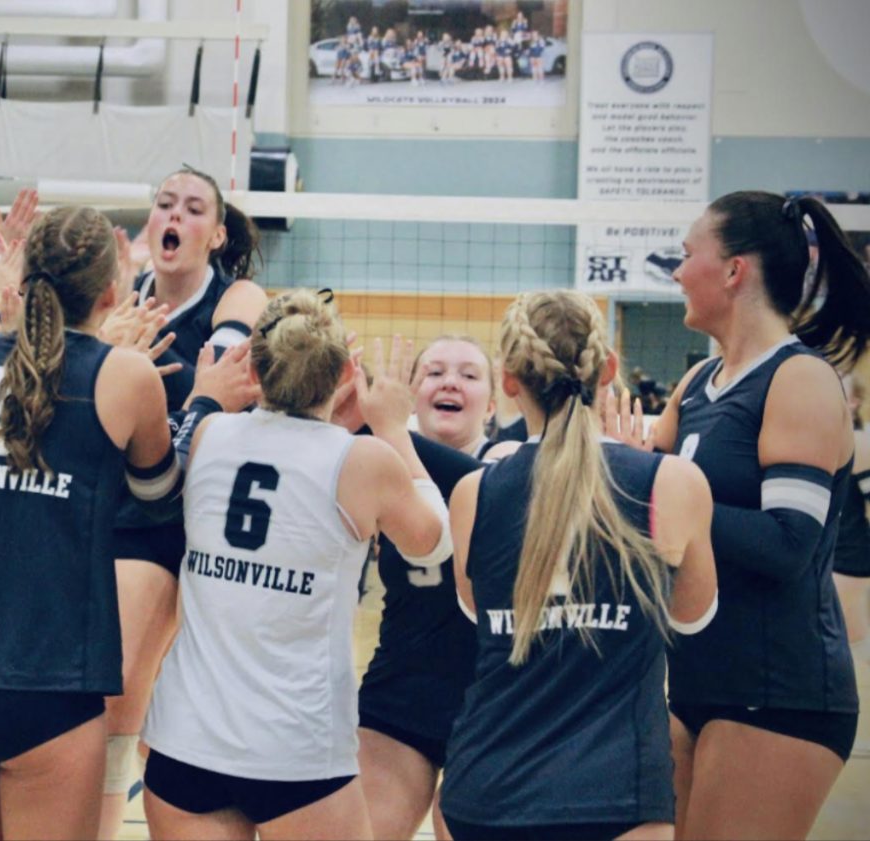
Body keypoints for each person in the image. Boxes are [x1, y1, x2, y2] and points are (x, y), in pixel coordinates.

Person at [0, 206, 184, 841]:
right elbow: (159, 497)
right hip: (48, 679)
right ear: (113, 293)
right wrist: (198, 410)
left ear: (28, 280)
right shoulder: (126, 374)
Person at [142, 291, 454, 840]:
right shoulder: (361, 459)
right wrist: (393, 429)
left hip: (186, 739)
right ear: (344, 372)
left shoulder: (211, 434)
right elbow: (433, 543)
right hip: (295, 751)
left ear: (257, 370)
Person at [441, 290, 718, 841]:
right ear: (608, 368)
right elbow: (691, 619)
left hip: (485, 789)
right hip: (615, 794)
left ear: (510, 380)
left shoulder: (476, 491)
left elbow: (478, 611)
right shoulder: (670, 484)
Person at [634, 191, 870, 839]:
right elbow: (641, 503)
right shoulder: (698, 382)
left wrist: (665, 499)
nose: (677, 273)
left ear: (734, 270)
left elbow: (788, 543)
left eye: (687, 256)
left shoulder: (800, 379)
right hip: (693, 682)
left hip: (782, 691)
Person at [100, 168, 267, 837]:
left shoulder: (236, 303)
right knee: (116, 703)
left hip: (178, 524)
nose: (174, 215)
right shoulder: (117, 302)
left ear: (217, 233)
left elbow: (222, 410)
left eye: (193, 207)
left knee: (115, 692)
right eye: (164, 204)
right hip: (101, 507)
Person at [356, 335, 498, 841]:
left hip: (494, 707)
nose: (450, 382)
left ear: (494, 402)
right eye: (434, 372)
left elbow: (478, 484)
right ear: (411, 393)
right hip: (403, 691)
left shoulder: (510, 461)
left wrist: (386, 429)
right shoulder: (376, 468)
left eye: (469, 374)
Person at [833, 374, 870, 670]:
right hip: (836, 554)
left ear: (854, 402)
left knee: (848, 640)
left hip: (849, 555)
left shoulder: (860, 443)